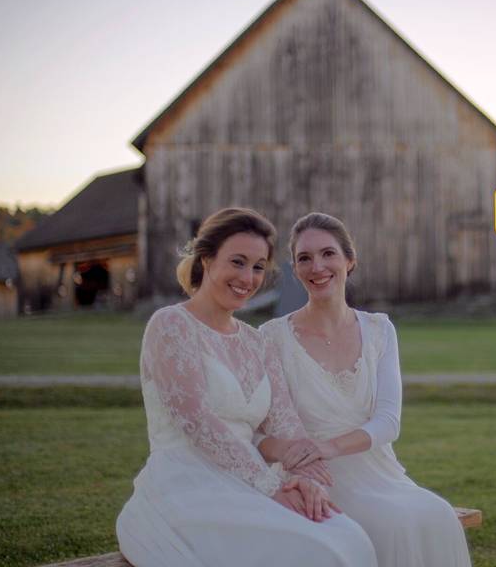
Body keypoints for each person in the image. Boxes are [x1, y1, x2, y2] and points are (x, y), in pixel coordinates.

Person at [116, 208, 377, 567]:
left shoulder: (257, 342)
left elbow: (288, 426)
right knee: (317, 551)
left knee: (349, 536)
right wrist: (271, 489)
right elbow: (199, 423)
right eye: (237, 262)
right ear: (206, 260)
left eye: (257, 267)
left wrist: (306, 479)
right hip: (186, 485)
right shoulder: (171, 325)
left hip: (250, 481)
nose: (247, 277)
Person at [259, 212, 472, 567]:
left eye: (328, 254)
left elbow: (389, 421)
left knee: (437, 513)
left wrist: (329, 446)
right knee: (392, 524)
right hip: (313, 477)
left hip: (378, 471)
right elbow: (264, 427)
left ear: (349, 260)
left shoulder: (379, 330)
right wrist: (301, 458)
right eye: (305, 258)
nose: (317, 266)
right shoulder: (271, 337)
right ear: (295, 269)